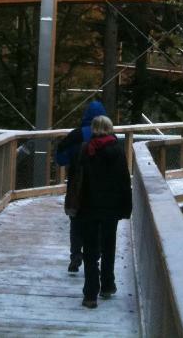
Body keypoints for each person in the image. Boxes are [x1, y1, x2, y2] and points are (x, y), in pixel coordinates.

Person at [75, 115, 132, 309]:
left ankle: (90, 295)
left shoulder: (86, 149)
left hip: (88, 208)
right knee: (108, 246)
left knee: (90, 251)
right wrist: (126, 207)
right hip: (111, 208)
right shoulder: (117, 150)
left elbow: (77, 180)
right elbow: (125, 180)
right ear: (110, 129)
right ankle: (107, 285)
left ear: (93, 129)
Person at [55, 99, 107, 273]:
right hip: (99, 188)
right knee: (97, 224)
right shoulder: (107, 138)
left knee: (76, 222)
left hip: (76, 186)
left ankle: (75, 256)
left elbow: (61, 158)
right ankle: (94, 259)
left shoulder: (75, 135)